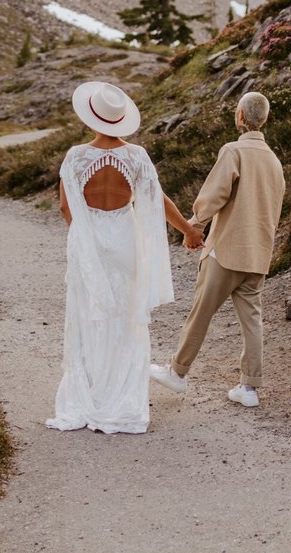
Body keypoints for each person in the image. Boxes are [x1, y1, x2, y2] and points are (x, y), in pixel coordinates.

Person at [46, 80, 203, 435]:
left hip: (88, 239)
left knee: (90, 315)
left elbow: (64, 206)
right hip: (124, 238)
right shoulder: (136, 156)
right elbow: (157, 200)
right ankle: (121, 400)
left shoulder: (75, 156)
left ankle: (89, 397)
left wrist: (84, 235)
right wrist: (188, 231)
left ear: (91, 119)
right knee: (125, 316)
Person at [150, 90, 285, 407]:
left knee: (201, 313)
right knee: (253, 321)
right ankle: (249, 388)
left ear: (240, 116)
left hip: (226, 250)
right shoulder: (275, 161)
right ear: (263, 119)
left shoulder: (233, 151)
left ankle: (178, 372)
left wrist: (194, 224)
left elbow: (215, 194)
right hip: (259, 254)